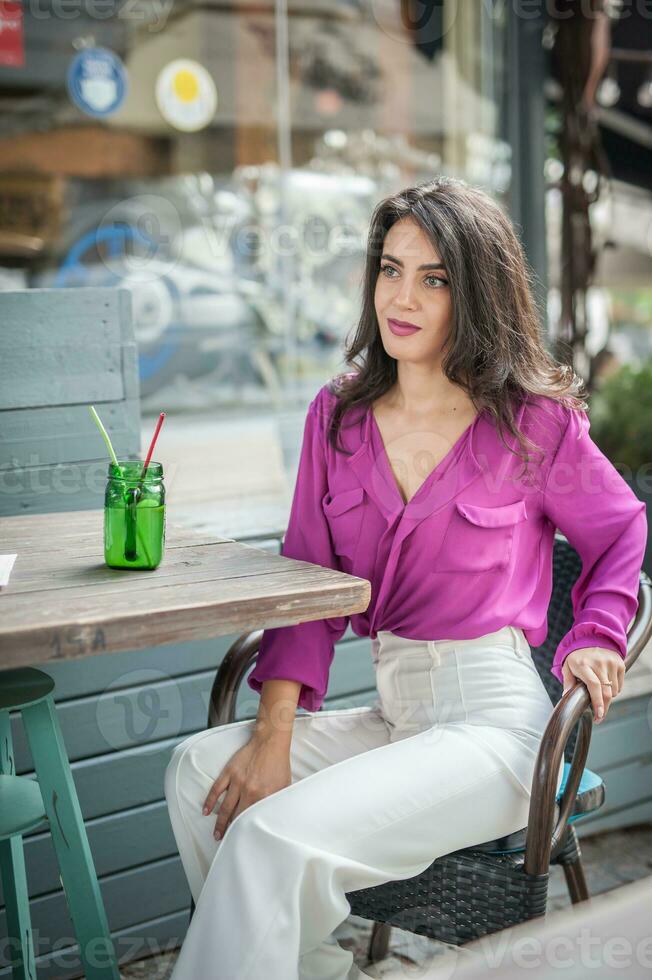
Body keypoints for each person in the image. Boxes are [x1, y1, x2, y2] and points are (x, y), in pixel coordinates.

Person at [164, 176, 647, 980]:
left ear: (478, 293)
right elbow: (308, 581)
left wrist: (598, 635)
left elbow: (622, 529)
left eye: (435, 278)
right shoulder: (339, 417)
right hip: (397, 713)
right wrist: (274, 733)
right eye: (391, 269)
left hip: (497, 730)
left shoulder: (532, 423)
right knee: (197, 774)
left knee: (268, 835)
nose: (403, 296)